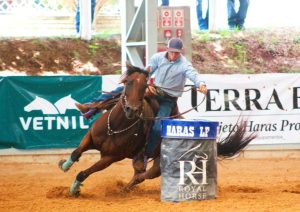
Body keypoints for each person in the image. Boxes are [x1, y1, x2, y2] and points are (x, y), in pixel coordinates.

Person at [76, 38, 207, 159]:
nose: (174, 55)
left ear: (180, 52)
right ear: (167, 50)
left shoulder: (184, 64)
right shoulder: (157, 58)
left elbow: (193, 74)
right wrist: (148, 85)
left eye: (177, 53)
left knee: (157, 127)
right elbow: (145, 73)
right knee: (121, 92)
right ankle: (90, 108)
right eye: (172, 52)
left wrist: (201, 84)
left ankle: (145, 155)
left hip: (168, 100)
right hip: (153, 91)